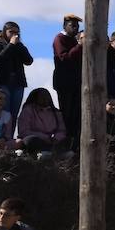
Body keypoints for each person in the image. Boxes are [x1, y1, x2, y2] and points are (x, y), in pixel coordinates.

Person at [0, 20, 33, 133]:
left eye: (17, 32)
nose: (14, 35)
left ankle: (9, 139)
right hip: (2, 83)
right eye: (11, 32)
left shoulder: (19, 46)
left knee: (14, 113)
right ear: (4, 32)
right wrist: (11, 45)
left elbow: (29, 61)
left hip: (17, 83)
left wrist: (19, 46)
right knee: (3, 112)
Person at [52, 14, 83, 146]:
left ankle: (73, 142)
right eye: (72, 25)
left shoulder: (73, 40)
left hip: (76, 83)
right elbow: (64, 58)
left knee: (76, 114)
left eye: (77, 26)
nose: (75, 28)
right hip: (65, 82)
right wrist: (79, 46)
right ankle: (64, 142)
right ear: (65, 25)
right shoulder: (59, 39)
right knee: (66, 114)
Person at [17, 88, 69, 157]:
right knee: (30, 140)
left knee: (69, 140)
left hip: (53, 141)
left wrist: (56, 138)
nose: (45, 98)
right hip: (36, 140)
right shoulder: (28, 110)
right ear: (35, 98)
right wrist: (44, 137)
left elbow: (62, 130)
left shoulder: (56, 113)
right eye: (42, 96)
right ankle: (49, 153)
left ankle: (53, 152)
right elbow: (24, 131)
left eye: (47, 96)